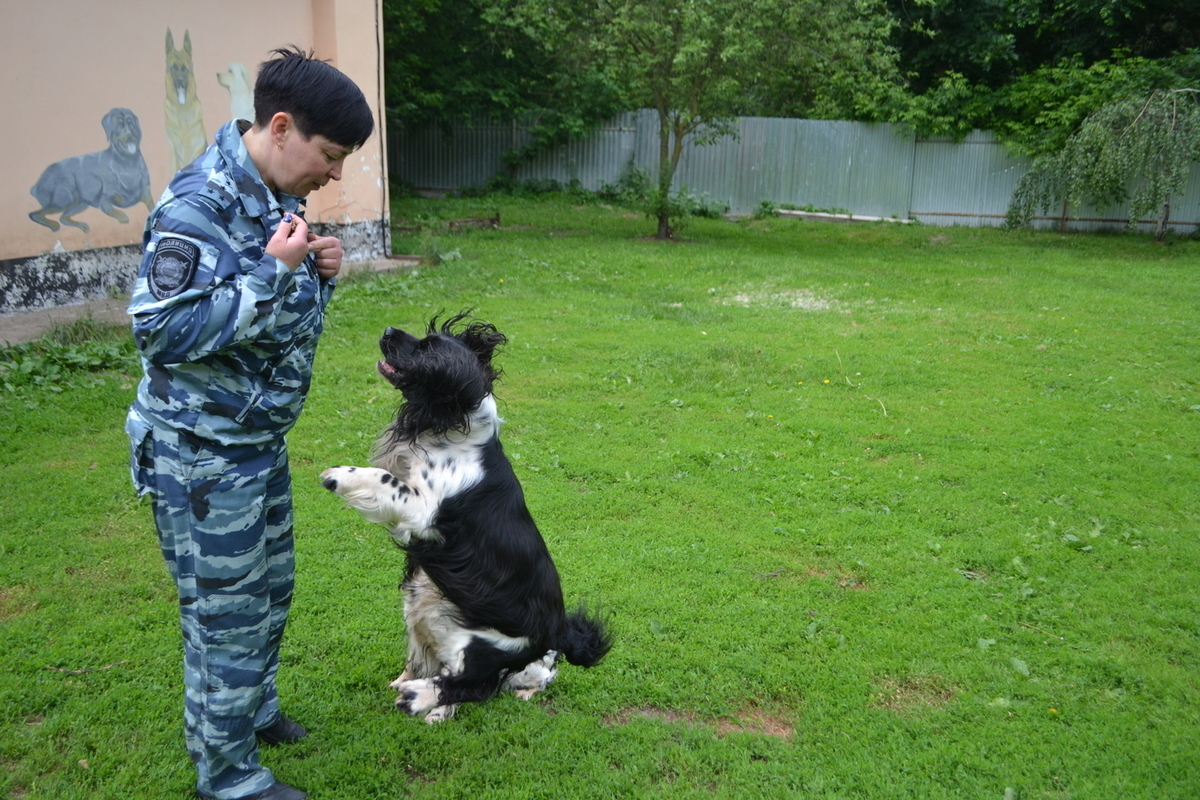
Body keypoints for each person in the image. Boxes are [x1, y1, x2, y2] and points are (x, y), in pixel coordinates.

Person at [124, 47, 374, 800]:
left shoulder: (270, 196)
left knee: (269, 592)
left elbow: (268, 325)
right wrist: (273, 273)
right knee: (223, 618)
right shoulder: (195, 206)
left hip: (253, 445)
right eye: (330, 157)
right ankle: (226, 776)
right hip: (201, 454)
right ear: (281, 126)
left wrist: (316, 276)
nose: (334, 176)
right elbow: (161, 332)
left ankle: (252, 710)